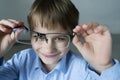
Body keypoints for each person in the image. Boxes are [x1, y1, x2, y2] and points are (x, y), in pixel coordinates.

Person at [0, 0, 120, 80]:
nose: (49, 48)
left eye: (60, 38)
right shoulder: (21, 60)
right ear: (31, 35)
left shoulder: (81, 70)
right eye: (40, 36)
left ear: (72, 36)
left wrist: (104, 66)